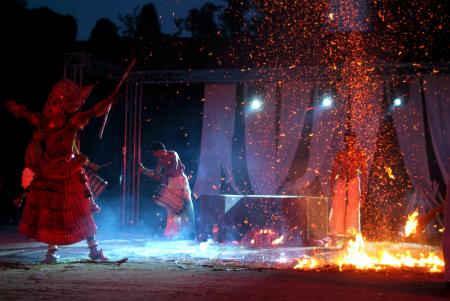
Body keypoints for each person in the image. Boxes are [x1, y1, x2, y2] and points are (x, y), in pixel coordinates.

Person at [5, 79, 119, 263]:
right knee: (51, 213)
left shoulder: (72, 121)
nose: (51, 106)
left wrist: (108, 101)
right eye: (50, 101)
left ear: (65, 106)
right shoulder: (42, 120)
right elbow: (26, 114)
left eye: (56, 102)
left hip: (69, 170)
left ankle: (94, 250)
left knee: (82, 210)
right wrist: (15, 107)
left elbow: (92, 111)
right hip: (48, 169)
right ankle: (51, 252)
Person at [139, 142, 194, 238]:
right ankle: (172, 234)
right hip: (171, 183)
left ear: (159, 150)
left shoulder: (173, 154)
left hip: (180, 181)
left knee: (186, 205)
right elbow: (156, 175)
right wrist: (144, 170)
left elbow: (174, 168)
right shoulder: (160, 161)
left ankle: (190, 232)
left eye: (154, 153)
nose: (154, 155)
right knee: (172, 208)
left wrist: (163, 175)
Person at [329, 131, 367, 236]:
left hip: (354, 181)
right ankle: (335, 234)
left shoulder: (360, 154)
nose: (350, 142)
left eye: (352, 139)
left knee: (353, 208)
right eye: (347, 140)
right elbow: (333, 172)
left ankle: (352, 234)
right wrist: (331, 187)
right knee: (337, 206)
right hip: (341, 181)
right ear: (345, 141)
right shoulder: (340, 154)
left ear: (355, 140)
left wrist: (364, 191)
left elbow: (364, 173)